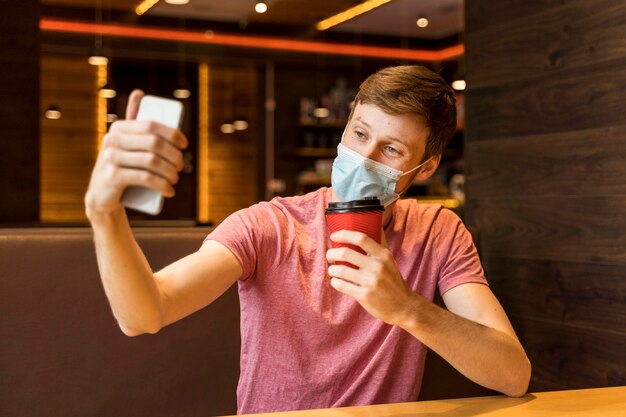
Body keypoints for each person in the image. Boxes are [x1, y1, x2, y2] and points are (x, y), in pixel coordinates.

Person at [85, 65, 531, 414]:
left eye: (391, 150)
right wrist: (104, 214)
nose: (363, 158)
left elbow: (512, 374)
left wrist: (408, 309)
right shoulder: (269, 225)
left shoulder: (437, 231)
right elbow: (145, 313)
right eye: (359, 134)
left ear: (427, 168)